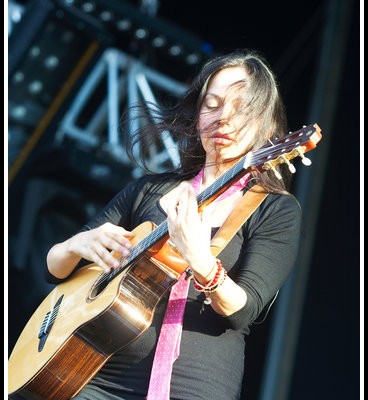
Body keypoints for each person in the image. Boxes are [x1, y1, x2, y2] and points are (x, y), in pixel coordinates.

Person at [45, 49, 302, 400]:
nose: (223, 118)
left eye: (241, 108)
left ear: (266, 124)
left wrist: (200, 259)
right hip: (100, 377)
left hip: (195, 388)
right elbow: (58, 270)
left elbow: (242, 310)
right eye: (212, 104)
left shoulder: (274, 210)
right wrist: (74, 246)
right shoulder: (150, 189)